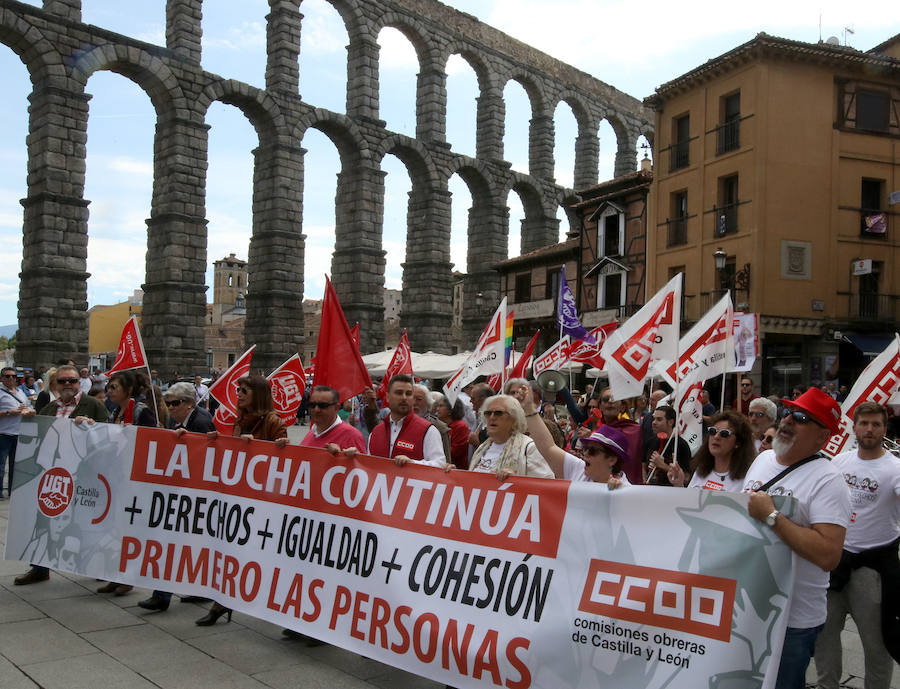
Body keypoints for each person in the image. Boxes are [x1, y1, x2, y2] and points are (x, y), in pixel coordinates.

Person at [742, 387, 850, 689]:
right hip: (747, 606)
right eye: (789, 412)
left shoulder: (829, 480)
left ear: (822, 437)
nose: (789, 420)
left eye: (802, 418)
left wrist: (773, 517)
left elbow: (829, 555)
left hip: (791, 619)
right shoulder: (763, 461)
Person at [815, 402, 900, 689]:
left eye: (876, 424)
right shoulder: (839, 462)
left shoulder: (895, 468)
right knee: (825, 638)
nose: (869, 429)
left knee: (877, 644)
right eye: (864, 423)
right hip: (834, 563)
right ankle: (827, 685)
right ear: (855, 427)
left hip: (873, 570)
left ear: (884, 429)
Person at [197, 374, 287, 626]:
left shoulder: (273, 421)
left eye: (244, 390)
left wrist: (260, 446)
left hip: (262, 499)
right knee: (230, 549)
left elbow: (283, 458)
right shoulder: (240, 419)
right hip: (239, 495)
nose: (238, 394)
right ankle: (221, 602)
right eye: (238, 390)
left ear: (257, 394)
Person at [14, 364, 109, 586]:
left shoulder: (93, 405)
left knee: (84, 520)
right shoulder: (48, 408)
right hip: (54, 474)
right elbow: (41, 436)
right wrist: (31, 419)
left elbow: (109, 434)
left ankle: (99, 567)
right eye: (63, 381)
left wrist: (92, 427)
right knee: (44, 518)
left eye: (72, 381)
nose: (68, 384)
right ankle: (39, 567)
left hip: (83, 474)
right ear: (54, 384)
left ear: (80, 383)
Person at [138, 381, 216, 613]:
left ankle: (162, 595)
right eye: (167, 403)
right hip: (185, 492)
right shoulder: (182, 419)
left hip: (192, 494)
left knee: (171, 544)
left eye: (175, 403)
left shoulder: (200, 422)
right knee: (186, 545)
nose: (170, 407)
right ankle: (198, 590)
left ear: (190, 403)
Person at [98, 370, 159, 596]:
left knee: (129, 530)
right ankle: (115, 574)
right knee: (115, 529)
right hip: (116, 477)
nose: (109, 391)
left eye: (114, 387)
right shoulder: (115, 410)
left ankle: (128, 576)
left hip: (134, 480)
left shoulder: (141, 411)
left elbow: (153, 441)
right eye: (108, 387)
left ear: (129, 390)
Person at [521, 392, 629, 487]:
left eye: (592, 451)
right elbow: (547, 447)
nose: (585, 453)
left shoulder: (625, 489)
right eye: (585, 448)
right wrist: (529, 408)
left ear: (612, 460)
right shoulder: (578, 469)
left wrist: (618, 495)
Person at [468, 394, 554, 479]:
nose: (492, 417)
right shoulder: (482, 448)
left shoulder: (529, 448)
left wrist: (516, 480)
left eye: (498, 413)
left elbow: (546, 484)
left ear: (514, 418)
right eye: (488, 413)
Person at [367, 374, 444, 467]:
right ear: (387, 397)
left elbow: (440, 465)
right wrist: (352, 459)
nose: (404, 397)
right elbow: (368, 467)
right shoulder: (375, 433)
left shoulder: (428, 431)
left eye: (408, 394)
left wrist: (413, 464)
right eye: (399, 393)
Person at [668, 410, 755, 492]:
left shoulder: (748, 478)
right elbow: (689, 503)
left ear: (738, 442)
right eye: (712, 431)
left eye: (724, 433)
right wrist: (679, 484)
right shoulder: (701, 471)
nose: (716, 437)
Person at [0, 366, 35, 498]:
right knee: (1, 466)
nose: (11, 379)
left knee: (15, 466)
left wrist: (28, 411)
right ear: (2, 378)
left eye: (14, 376)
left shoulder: (20, 393)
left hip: (18, 434)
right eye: (7, 376)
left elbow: (30, 408)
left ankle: (12, 491)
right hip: (3, 434)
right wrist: (9, 412)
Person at [300, 385, 365, 453]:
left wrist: (341, 457)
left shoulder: (352, 436)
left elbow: (362, 463)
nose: (316, 409)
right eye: (312, 405)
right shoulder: (312, 432)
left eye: (323, 405)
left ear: (336, 408)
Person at [643, 404, 692, 486]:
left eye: (659, 419)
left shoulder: (681, 445)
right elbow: (643, 465)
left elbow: (686, 478)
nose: (654, 422)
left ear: (670, 422)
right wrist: (644, 479)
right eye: (653, 419)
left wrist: (663, 466)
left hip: (671, 493)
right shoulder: (650, 441)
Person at [412, 384, 451, 462]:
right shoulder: (401, 423)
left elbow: (445, 461)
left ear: (428, 403)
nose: (414, 403)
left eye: (419, 399)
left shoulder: (439, 427)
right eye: (412, 398)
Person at [436, 395, 470, 470]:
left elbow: (454, 453)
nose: (437, 409)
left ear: (450, 409)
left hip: (456, 470)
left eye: (441, 406)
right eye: (437, 406)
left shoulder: (461, 426)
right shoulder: (439, 425)